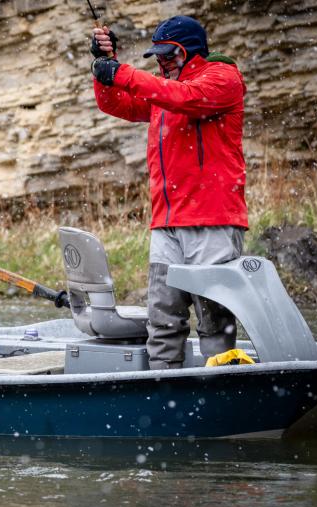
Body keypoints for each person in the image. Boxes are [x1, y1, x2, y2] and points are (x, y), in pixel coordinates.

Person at [89, 16, 248, 369]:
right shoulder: (162, 90)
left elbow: (186, 98)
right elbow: (115, 104)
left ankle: (221, 385)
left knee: (213, 314)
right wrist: (102, 69)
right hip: (167, 221)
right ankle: (163, 382)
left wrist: (122, 72)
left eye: (168, 56)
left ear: (190, 53)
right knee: (161, 314)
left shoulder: (221, 79)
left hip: (213, 218)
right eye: (158, 57)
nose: (162, 64)